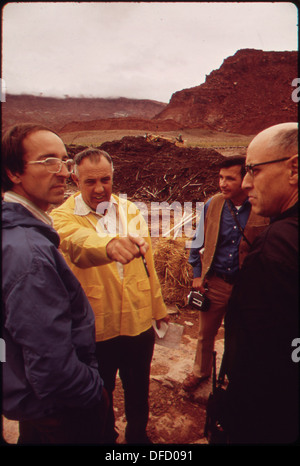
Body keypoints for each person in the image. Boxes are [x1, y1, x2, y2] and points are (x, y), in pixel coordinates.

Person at [51, 148, 169, 444]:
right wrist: (109, 245)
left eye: (105, 179)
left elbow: (148, 265)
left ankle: (137, 436)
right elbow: (77, 243)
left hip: (137, 320)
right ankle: (104, 438)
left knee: (138, 388)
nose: (100, 188)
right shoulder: (62, 217)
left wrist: (158, 307)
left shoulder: (129, 210)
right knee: (98, 392)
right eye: (90, 182)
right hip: (95, 326)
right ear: (75, 180)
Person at [1, 124, 108, 444]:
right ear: (14, 172)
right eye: (48, 161)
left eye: (65, 161)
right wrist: (93, 391)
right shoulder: (28, 251)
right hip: (59, 410)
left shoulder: (19, 234)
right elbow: (50, 361)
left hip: (35, 400)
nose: (64, 172)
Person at [221, 122, 298, 444]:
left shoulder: (274, 248)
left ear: (294, 169)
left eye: (253, 170)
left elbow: (259, 358)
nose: (246, 183)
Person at [183, 156, 269, 391]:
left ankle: (233, 377)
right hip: (216, 283)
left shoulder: (263, 206)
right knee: (205, 333)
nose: (222, 183)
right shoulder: (214, 203)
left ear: (245, 179)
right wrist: (197, 274)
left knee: (241, 335)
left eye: (230, 178)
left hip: (247, 287)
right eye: (221, 177)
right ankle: (200, 372)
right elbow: (197, 239)